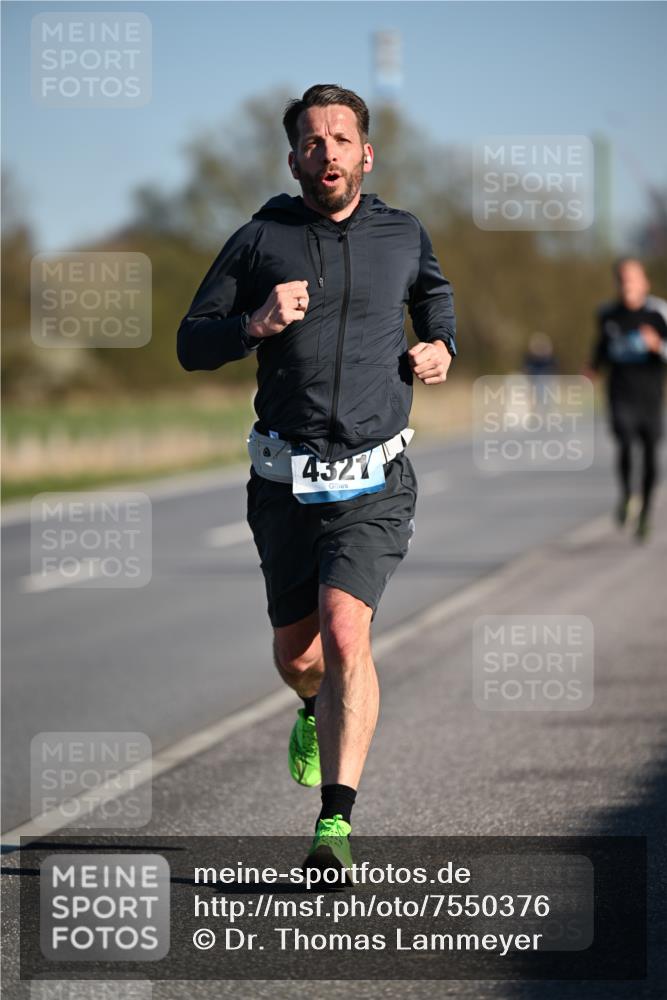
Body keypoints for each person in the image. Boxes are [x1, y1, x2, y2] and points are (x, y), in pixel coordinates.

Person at [177, 84, 456, 877]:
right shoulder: (260, 238)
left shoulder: (402, 234)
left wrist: (441, 346)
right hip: (282, 485)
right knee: (298, 655)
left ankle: (333, 825)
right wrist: (252, 325)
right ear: (293, 156)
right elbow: (191, 343)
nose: (326, 150)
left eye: (341, 138)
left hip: (373, 480)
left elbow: (433, 295)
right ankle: (310, 705)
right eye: (312, 140)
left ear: (366, 153)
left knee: (345, 635)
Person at [588, 258, 667, 540]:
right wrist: (591, 370)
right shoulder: (608, 314)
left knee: (650, 460)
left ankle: (645, 514)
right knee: (624, 443)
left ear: (645, 282)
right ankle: (626, 495)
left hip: (651, 397)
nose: (627, 284)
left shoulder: (659, 314)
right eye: (622, 279)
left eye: (632, 278)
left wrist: (657, 345)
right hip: (620, 394)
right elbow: (601, 348)